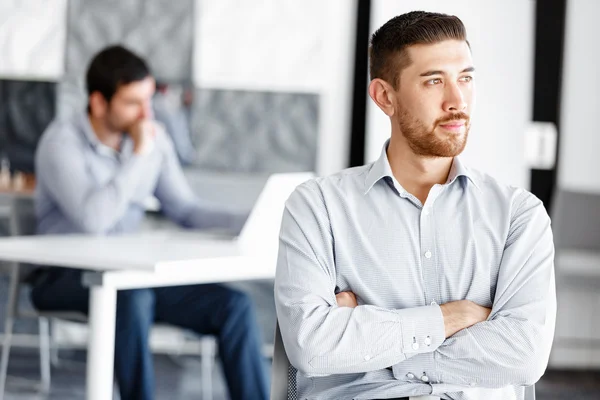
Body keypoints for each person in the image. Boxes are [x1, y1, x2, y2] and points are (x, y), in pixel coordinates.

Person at [275, 11, 555, 400]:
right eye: (434, 81)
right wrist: (450, 318)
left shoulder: (518, 216)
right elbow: (312, 347)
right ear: (384, 96)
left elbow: (524, 356)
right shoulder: (317, 207)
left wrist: (372, 345)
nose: (457, 101)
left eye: (466, 78)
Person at [30, 45, 269, 400]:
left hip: (130, 273)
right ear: (98, 103)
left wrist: (254, 219)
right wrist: (139, 155)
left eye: (149, 101)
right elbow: (94, 219)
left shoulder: (153, 139)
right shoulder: (61, 142)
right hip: (61, 275)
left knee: (234, 306)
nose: (146, 114)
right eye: (132, 103)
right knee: (132, 296)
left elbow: (186, 210)